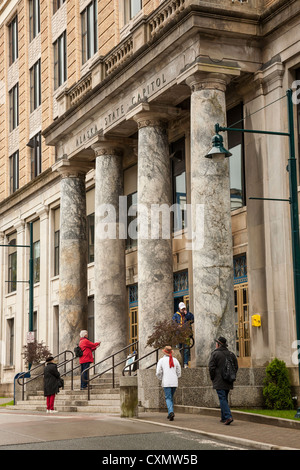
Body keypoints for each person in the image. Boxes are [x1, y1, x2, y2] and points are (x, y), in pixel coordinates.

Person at [208, 336, 238, 425]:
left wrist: (212, 377)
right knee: (224, 398)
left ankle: (228, 416)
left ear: (218, 344)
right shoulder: (231, 354)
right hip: (229, 380)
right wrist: (231, 376)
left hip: (219, 380)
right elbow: (236, 367)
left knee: (222, 398)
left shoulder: (215, 354)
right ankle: (223, 417)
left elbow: (211, 367)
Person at [156, 345, 181, 421]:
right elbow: (179, 371)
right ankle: (170, 412)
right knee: (171, 397)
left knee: (168, 398)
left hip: (166, 381)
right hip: (174, 382)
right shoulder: (175, 360)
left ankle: (170, 412)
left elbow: (158, 372)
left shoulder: (161, 361)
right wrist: (176, 377)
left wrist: (161, 378)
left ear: (164, 352)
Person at [172, 302, 194, 368]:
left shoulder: (188, 314)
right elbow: (173, 323)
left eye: (184, 308)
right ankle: (179, 363)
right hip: (179, 335)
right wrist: (177, 326)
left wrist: (186, 314)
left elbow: (192, 319)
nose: (183, 310)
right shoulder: (176, 315)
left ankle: (185, 363)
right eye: (182, 309)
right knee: (179, 348)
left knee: (186, 349)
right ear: (179, 308)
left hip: (186, 334)